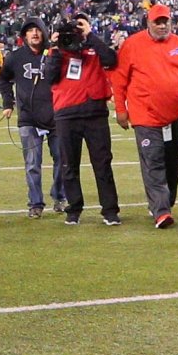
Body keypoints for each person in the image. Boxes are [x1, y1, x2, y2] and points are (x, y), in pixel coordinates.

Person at [113, 3, 178, 228]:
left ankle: (166, 202)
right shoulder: (132, 45)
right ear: (149, 23)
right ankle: (161, 211)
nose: (163, 26)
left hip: (175, 116)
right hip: (145, 117)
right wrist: (120, 110)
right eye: (158, 22)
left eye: (166, 22)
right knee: (153, 161)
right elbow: (119, 79)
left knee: (172, 163)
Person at [48, 14, 122, 226]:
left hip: (95, 111)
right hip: (66, 112)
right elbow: (49, 76)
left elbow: (111, 59)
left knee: (103, 163)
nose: (75, 34)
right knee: (68, 164)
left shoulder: (94, 47)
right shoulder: (59, 49)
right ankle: (74, 209)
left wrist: (91, 36)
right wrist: (55, 47)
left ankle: (110, 210)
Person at [8, 20, 58, 217]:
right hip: (28, 118)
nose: (35, 34)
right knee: (32, 164)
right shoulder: (15, 57)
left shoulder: (54, 52)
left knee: (62, 161)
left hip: (55, 116)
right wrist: (7, 103)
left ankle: (59, 196)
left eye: (38, 30)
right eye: (30, 31)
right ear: (24, 35)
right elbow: (3, 78)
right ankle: (35, 203)